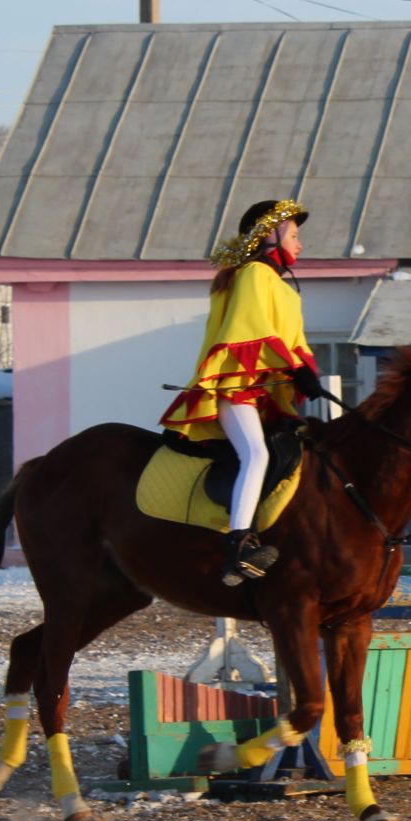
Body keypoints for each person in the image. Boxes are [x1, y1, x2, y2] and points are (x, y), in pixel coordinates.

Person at [160, 198, 331, 585]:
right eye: (295, 235)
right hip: (235, 388)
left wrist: (304, 369)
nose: (300, 245)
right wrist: (296, 367)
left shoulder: (277, 283)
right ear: (270, 235)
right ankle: (237, 545)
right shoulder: (255, 274)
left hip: (257, 392)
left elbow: (291, 338)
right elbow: (254, 331)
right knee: (256, 453)